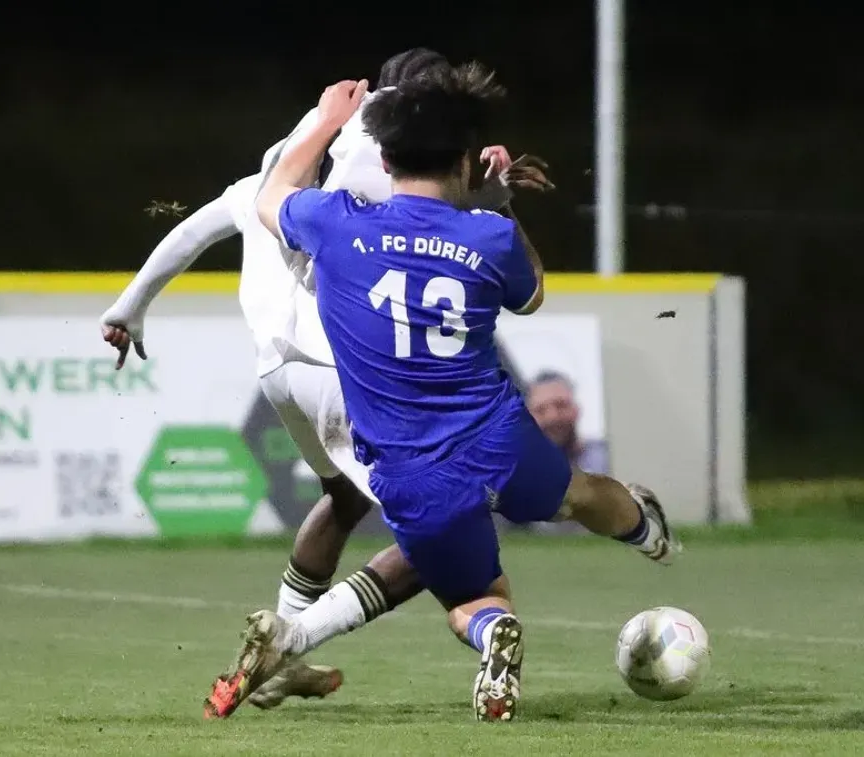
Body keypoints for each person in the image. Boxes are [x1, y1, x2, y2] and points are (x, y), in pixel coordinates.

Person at [214, 64, 680, 723]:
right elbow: (532, 294)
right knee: (578, 492)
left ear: (384, 159)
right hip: (499, 439)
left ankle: (492, 632)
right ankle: (645, 530)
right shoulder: (487, 234)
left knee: (472, 594)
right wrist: (498, 205)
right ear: (465, 160)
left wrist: (325, 121)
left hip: (410, 470)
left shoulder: (336, 224)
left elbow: (272, 197)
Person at [98, 50, 555, 715]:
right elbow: (433, 219)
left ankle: (285, 655)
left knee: (342, 497)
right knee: (440, 528)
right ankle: (293, 642)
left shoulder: (276, 166)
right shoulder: (379, 157)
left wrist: (127, 308)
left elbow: (193, 232)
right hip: (334, 366)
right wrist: (493, 196)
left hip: (276, 372)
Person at [526, 370, 610, 475]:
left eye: (560, 405)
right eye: (540, 410)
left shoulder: (608, 458)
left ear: (576, 410)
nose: (552, 417)